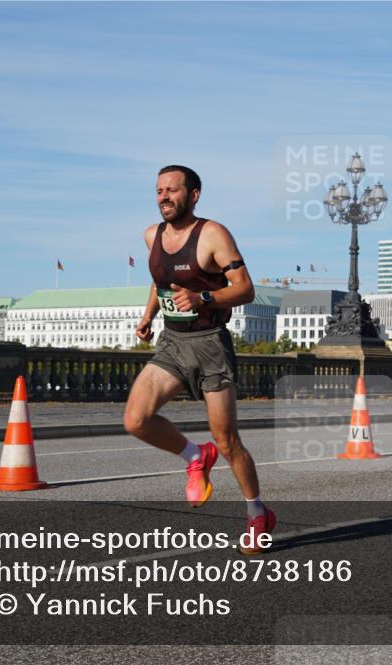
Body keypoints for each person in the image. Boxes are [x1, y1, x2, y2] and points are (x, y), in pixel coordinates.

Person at [124, 165, 274, 554]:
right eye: (159, 191)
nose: (163, 197)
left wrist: (204, 297)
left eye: (172, 190)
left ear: (194, 195)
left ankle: (258, 514)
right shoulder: (150, 235)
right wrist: (148, 316)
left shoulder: (213, 234)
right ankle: (195, 455)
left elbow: (245, 289)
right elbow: (161, 282)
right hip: (172, 343)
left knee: (227, 440)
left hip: (210, 345)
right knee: (136, 420)